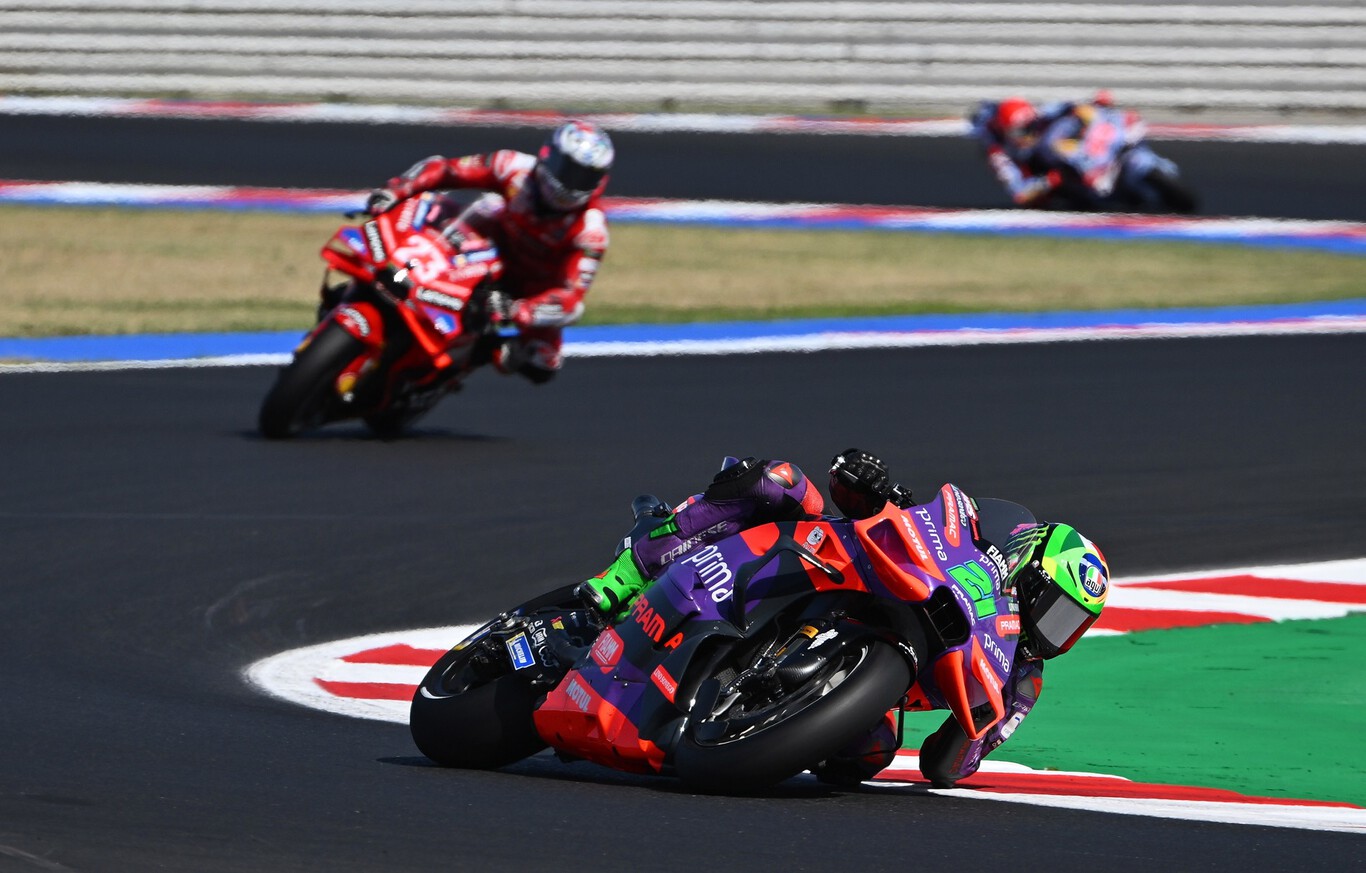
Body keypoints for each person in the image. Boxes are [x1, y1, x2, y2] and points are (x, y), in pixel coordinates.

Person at [578, 449, 1110, 788]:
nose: (1054, 631)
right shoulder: (977, 540)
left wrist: (974, 736)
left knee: (868, 753)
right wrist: (874, 488)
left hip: (867, 674)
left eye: (1071, 625)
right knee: (780, 481)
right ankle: (628, 572)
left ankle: (751, 721)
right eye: (1053, 608)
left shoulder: (1023, 681)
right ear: (1026, 567)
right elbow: (916, 518)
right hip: (836, 570)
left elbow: (946, 764)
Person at [361, 119, 615, 384]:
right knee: (476, 207)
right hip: (482, 252)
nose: (570, 183)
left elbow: (571, 297)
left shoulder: (591, 231)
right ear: (548, 155)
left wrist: (520, 310)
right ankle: (385, 277)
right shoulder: (511, 165)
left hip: (525, 293)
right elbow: (446, 169)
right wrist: (397, 189)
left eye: (584, 177)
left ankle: (451, 368)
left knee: (542, 362)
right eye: (567, 169)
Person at [967, 91, 1115, 207]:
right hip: (1049, 176)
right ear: (1006, 131)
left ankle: (1098, 159)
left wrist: (1092, 106)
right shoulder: (998, 153)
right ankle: (1093, 176)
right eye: (1023, 131)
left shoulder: (1040, 113)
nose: (1030, 134)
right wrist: (1053, 179)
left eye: (1032, 126)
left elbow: (1070, 104)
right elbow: (1021, 194)